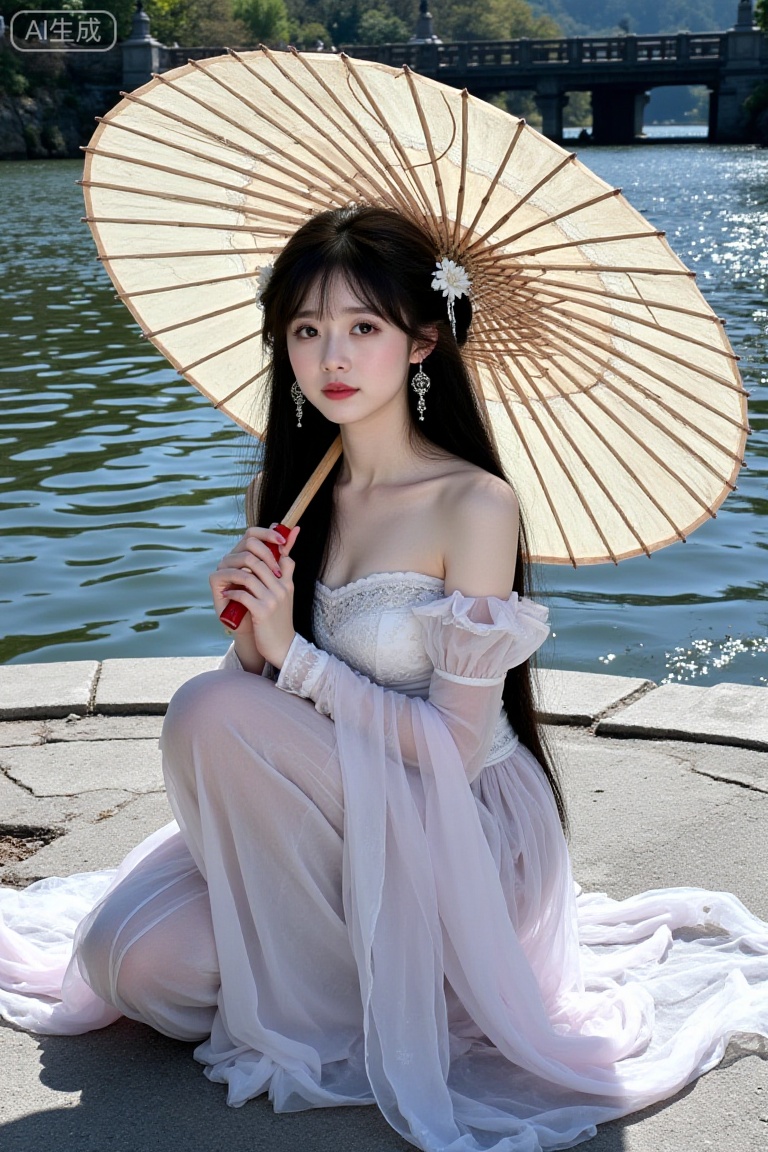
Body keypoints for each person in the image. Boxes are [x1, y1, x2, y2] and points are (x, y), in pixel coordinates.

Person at [1, 205, 767, 1152]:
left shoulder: (473, 504)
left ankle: (395, 971)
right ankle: (352, 968)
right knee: (131, 967)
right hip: (320, 810)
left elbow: (448, 744)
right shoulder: (286, 491)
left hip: (456, 826)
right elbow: (257, 707)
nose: (334, 355)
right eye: (307, 329)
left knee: (206, 710)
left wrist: (293, 657)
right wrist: (247, 622)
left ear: (423, 341)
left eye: (364, 326)